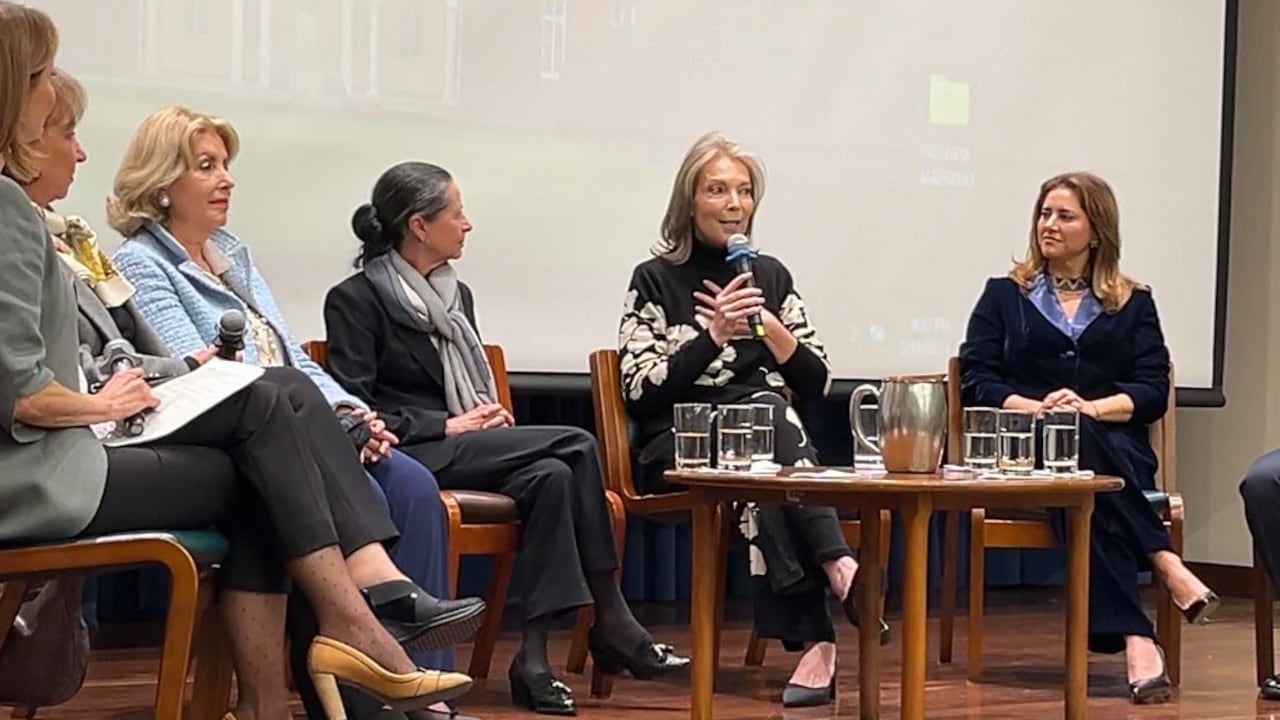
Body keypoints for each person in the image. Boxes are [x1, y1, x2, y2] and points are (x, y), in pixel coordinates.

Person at [0, 5, 472, 719]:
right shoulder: (9, 208)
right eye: (42, 81)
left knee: (267, 455)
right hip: (39, 477)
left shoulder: (34, 215)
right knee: (266, 414)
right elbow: (19, 393)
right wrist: (107, 404)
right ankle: (359, 627)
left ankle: (280, 692)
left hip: (73, 452)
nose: (73, 135)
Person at [322, 160, 690, 715]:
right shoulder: (355, 299)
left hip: (465, 443)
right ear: (418, 226)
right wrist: (448, 424)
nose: (467, 224)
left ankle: (534, 659)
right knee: (576, 443)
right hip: (409, 455)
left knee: (552, 477)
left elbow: (465, 381)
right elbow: (355, 405)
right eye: (456, 212)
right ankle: (611, 615)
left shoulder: (455, 294)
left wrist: (480, 414)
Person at [615, 131, 886, 708]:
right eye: (717, 190)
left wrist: (768, 326)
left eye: (744, 191)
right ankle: (841, 569)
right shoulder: (654, 279)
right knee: (769, 418)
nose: (734, 204)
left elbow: (817, 384)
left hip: (765, 449)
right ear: (689, 202)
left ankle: (818, 645)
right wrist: (712, 336)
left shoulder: (771, 277)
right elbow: (639, 391)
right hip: (681, 443)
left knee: (768, 471)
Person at [958, 170, 1219, 705]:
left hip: (1115, 451)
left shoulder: (1134, 301)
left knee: (1090, 494)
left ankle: (1137, 632)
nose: (1048, 225)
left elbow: (1150, 388)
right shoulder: (1005, 295)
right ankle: (1160, 579)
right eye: (1044, 213)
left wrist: (1090, 410)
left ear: (1095, 229)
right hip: (1027, 451)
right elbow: (976, 378)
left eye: (1064, 215)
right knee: (1077, 464)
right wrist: (1040, 409)